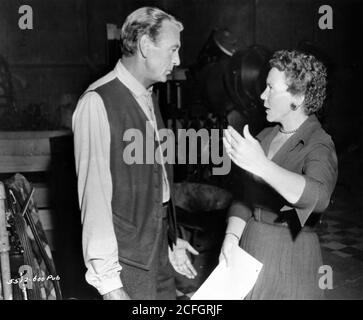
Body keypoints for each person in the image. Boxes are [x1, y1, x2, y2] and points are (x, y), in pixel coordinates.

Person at [72, 7, 198, 300]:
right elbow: (95, 201)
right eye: (173, 50)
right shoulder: (97, 102)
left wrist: (172, 240)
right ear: (144, 45)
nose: (177, 60)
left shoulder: (148, 96)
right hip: (125, 265)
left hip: (158, 253)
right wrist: (110, 286)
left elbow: (157, 185)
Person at [221, 50, 338, 299]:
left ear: (299, 96)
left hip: (291, 256)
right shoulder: (264, 136)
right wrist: (231, 237)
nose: (262, 95)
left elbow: (318, 197)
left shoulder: (319, 144)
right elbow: (244, 198)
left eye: (271, 88)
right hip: (250, 248)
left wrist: (262, 166)